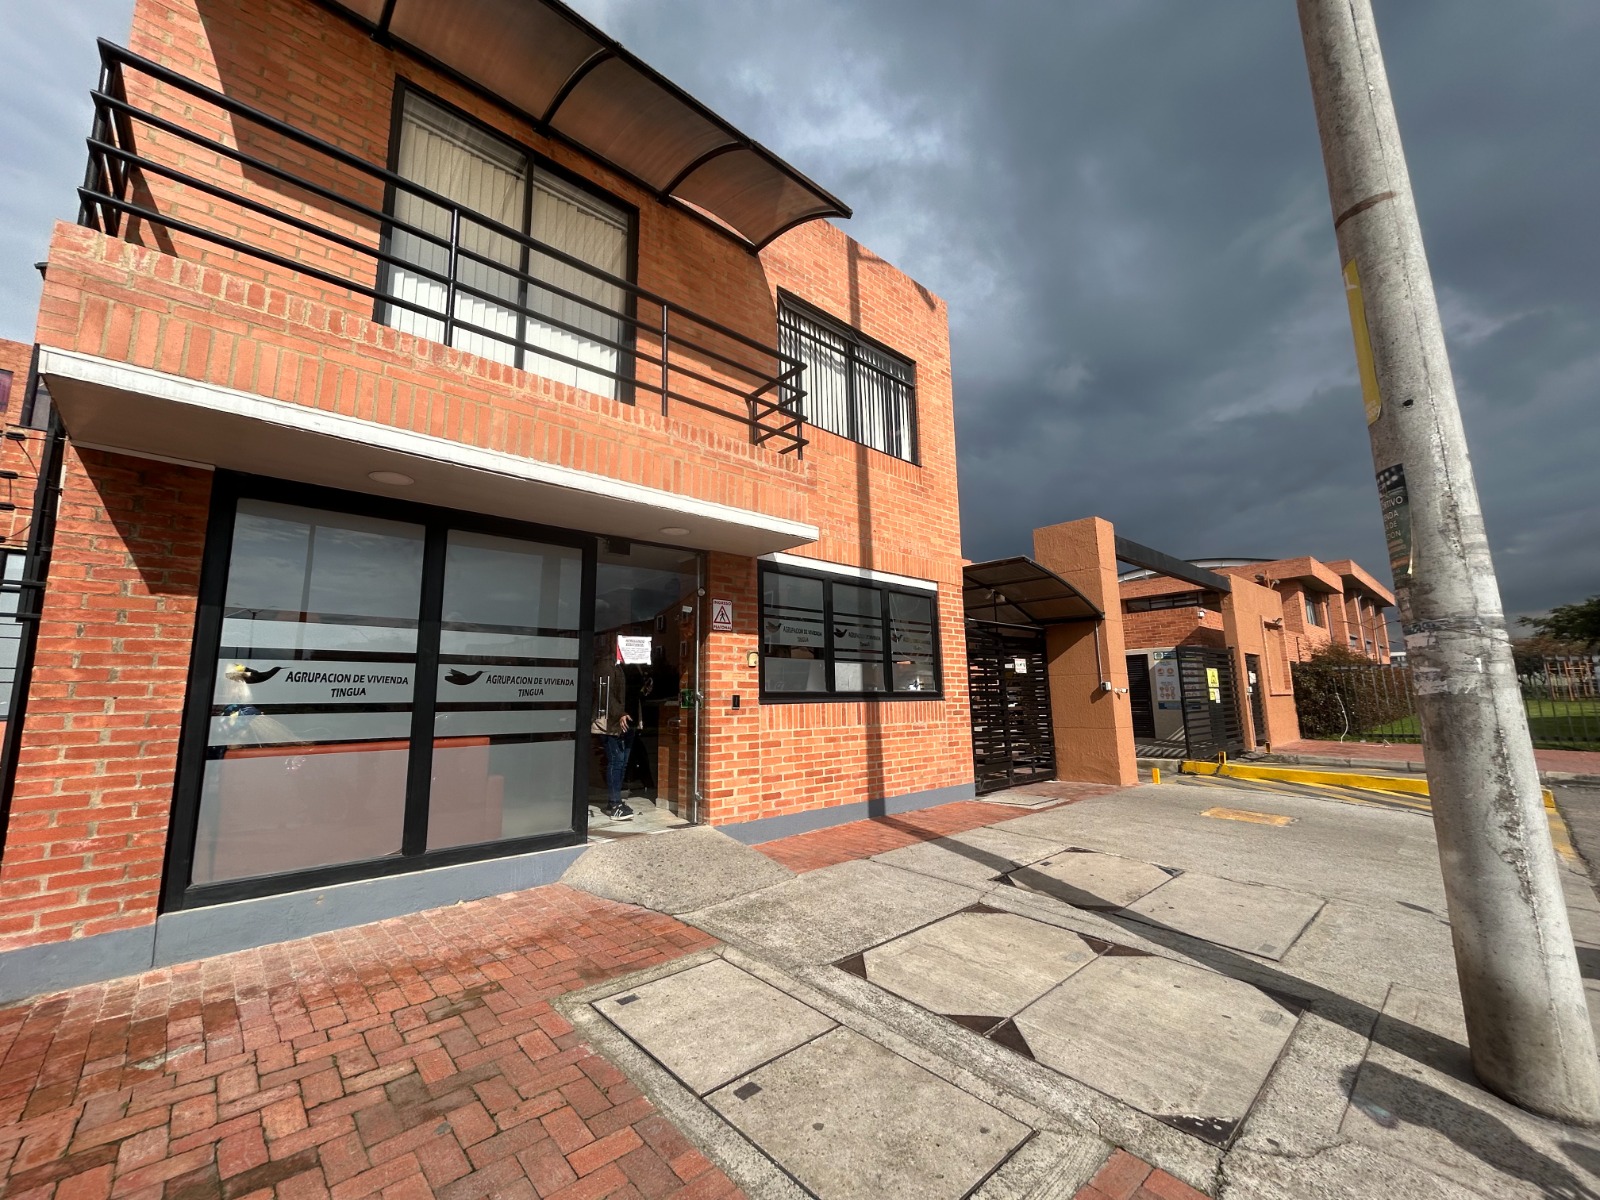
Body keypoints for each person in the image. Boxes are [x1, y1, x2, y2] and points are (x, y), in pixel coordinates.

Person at [592, 634, 633, 820]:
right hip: (608, 722)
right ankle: (615, 804)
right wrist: (620, 713)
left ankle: (614, 802)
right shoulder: (606, 664)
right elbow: (605, 695)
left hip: (620, 721)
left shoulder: (621, 665)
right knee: (616, 761)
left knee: (621, 762)